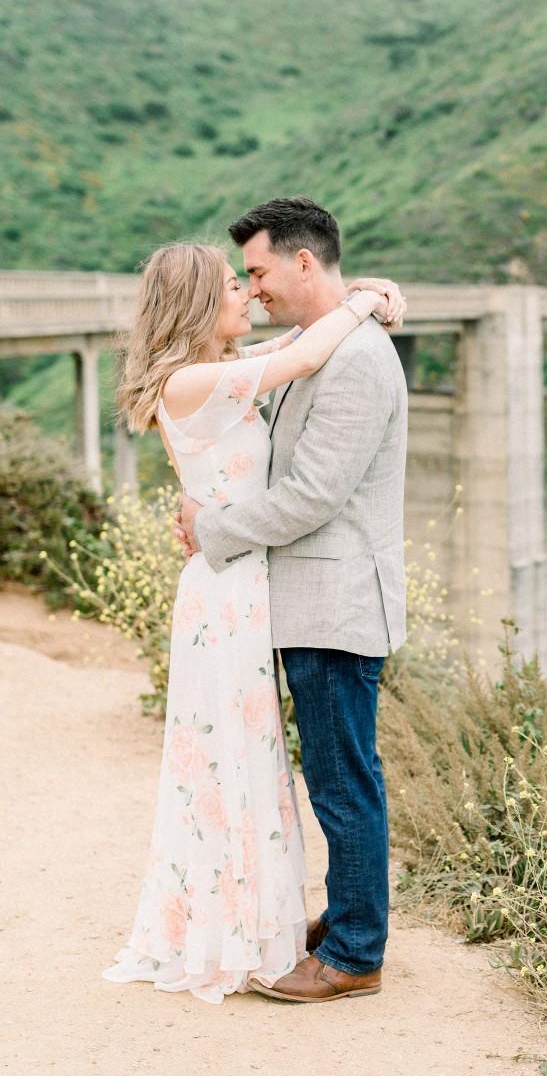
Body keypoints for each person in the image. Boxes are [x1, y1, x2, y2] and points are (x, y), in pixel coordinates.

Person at [104, 235, 401, 1004]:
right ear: (202, 305)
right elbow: (301, 358)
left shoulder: (211, 373)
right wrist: (365, 303)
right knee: (237, 761)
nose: (249, 293)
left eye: (254, 277)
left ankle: (296, 923)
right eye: (235, 286)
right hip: (227, 590)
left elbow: (299, 341)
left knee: (263, 760)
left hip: (242, 584)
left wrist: (363, 301)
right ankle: (309, 934)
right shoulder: (197, 380)